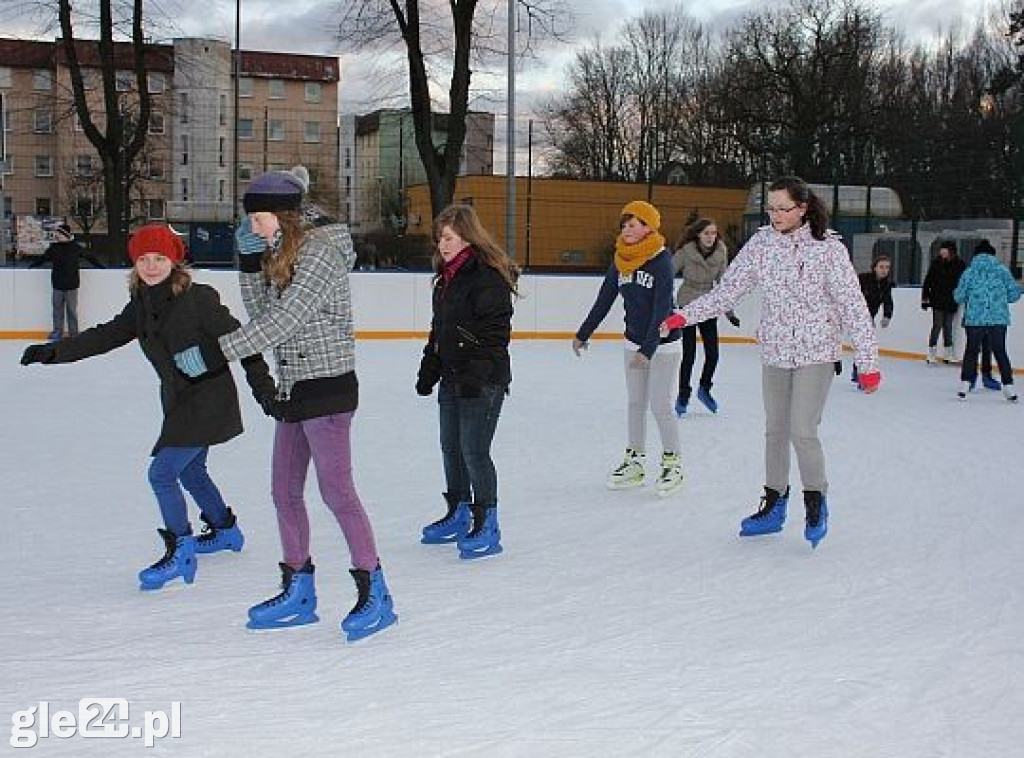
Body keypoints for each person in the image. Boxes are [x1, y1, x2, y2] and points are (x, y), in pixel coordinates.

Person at [171, 169, 397, 642]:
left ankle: (376, 590)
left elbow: (285, 321)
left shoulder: (321, 253)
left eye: (258, 218)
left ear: (284, 215)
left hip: (328, 388)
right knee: (284, 492)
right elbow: (262, 313)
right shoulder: (283, 249)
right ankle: (299, 589)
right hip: (294, 387)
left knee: (337, 493)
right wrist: (250, 265)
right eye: (250, 219)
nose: (253, 226)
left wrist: (214, 353)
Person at [19, 224, 275, 590]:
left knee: (162, 474)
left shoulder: (199, 298)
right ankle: (225, 531)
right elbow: (105, 335)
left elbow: (244, 342)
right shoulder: (141, 304)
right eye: (143, 258)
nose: (151, 266)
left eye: (159, 258)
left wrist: (263, 389)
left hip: (207, 400)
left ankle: (181, 551)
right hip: (177, 400)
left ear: (174, 260)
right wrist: (54, 352)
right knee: (190, 472)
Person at [663, 176, 880, 547]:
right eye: (772, 207)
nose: (776, 215)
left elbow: (852, 305)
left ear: (803, 208)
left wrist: (868, 361)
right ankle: (774, 504)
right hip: (776, 349)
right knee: (775, 430)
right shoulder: (762, 244)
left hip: (817, 351)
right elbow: (728, 289)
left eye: (783, 208)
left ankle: (816, 500)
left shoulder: (828, 249)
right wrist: (685, 315)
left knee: (802, 429)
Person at [415, 204, 518, 559]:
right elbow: (440, 329)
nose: (442, 245)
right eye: (439, 238)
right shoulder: (446, 278)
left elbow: (495, 336)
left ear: (467, 238)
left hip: (483, 380)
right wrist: (430, 365)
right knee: (451, 448)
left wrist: (476, 375)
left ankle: (487, 522)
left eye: (449, 238)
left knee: (474, 451)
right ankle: (459, 511)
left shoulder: (486, 277)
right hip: (452, 376)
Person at [573, 200, 684, 497]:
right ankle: (635, 461)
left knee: (660, 403)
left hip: (664, 343)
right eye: (624, 224)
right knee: (636, 403)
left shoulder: (661, 260)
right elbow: (605, 298)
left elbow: (662, 310)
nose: (626, 229)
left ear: (649, 228)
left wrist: (647, 351)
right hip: (634, 340)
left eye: (633, 224)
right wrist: (583, 333)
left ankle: (673, 464)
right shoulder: (621, 258)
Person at [671, 218, 741, 415]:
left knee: (713, 354)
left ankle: (704, 389)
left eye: (713, 233)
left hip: (709, 304)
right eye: (706, 233)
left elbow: (724, 283)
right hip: (688, 303)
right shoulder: (686, 252)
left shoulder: (721, 252)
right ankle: (683, 394)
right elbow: (668, 273)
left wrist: (729, 312)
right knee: (689, 354)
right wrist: (666, 304)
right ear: (698, 235)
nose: (710, 237)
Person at [953, 239, 1020, 402]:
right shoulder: (1002, 271)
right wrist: (1000, 300)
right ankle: (1009, 387)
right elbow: (1014, 294)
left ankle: (965, 385)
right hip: (998, 318)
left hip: (975, 319)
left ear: (976, 255)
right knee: (1000, 351)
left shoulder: (969, 272)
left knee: (971, 351)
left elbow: (959, 296)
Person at [28, 222, 105, 340]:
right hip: (57, 284)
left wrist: (100, 266)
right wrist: (32, 266)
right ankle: (57, 331)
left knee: (71, 310)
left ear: (64, 234)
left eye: (58, 233)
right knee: (57, 310)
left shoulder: (76, 248)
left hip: (72, 285)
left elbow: (90, 257)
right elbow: (42, 259)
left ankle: (73, 333)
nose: (56, 235)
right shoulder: (54, 248)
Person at [850, 254, 894, 383]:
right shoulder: (863, 279)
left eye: (887, 267)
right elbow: (852, 295)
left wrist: (887, 315)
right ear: (874, 268)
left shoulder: (886, 285)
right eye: (881, 267)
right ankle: (860, 372)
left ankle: (858, 371)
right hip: (857, 316)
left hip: (869, 318)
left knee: (864, 346)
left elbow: (888, 302)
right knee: (864, 345)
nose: (884, 270)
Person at [921, 240, 965, 364]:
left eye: (944, 249)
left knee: (948, 327)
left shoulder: (960, 264)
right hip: (937, 299)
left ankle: (948, 354)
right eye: (941, 250)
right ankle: (931, 353)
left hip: (951, 300)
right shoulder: (936, 263)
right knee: (937, 325)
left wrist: (961, 295)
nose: (942, 252)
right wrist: (925, 299)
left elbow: (963, 282)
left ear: (951, 251)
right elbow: (928, 281)